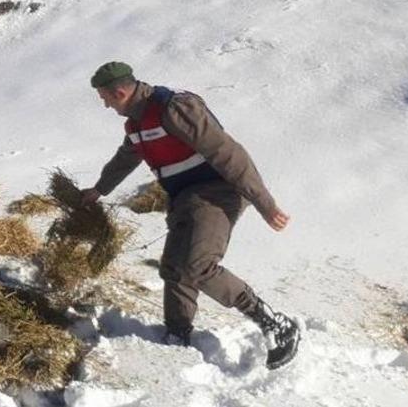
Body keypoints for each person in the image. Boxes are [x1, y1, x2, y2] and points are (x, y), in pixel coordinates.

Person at [81, 61, 300, 369]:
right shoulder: (136, 124)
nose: (104, 104)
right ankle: (177, 336)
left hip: (216, 192)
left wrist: (265, 204)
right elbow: (126, 158)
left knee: (198, 266)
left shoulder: (174, 108)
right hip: (185, 199)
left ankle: (276, 324)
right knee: (173, 267)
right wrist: (99, 189)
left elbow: (228, 154)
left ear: (119, 92)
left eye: (104, 97)